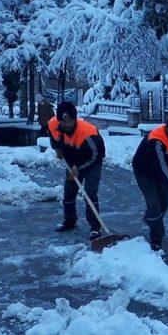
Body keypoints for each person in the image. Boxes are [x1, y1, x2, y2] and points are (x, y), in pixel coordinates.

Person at [132, 110, 168, 251]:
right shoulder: (156, 140)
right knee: (154, 204)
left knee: (164, 203)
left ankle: (151, 220)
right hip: (145, 172)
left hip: (166, 170)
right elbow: (162, 169)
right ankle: (156, 239)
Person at [48, 101, 106, 238]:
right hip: (72, 159)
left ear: (75, 119)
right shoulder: (53, 124)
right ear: (59, 120)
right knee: (69, 190)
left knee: (90, 193)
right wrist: (57, 149)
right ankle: (70, 221)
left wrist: (78, 168)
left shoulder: (88, 132)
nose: (67, 125)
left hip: (92, 162)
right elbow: (53, 137)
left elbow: (96, 154)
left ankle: (95, 227)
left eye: (70, 121)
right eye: (64, 122)